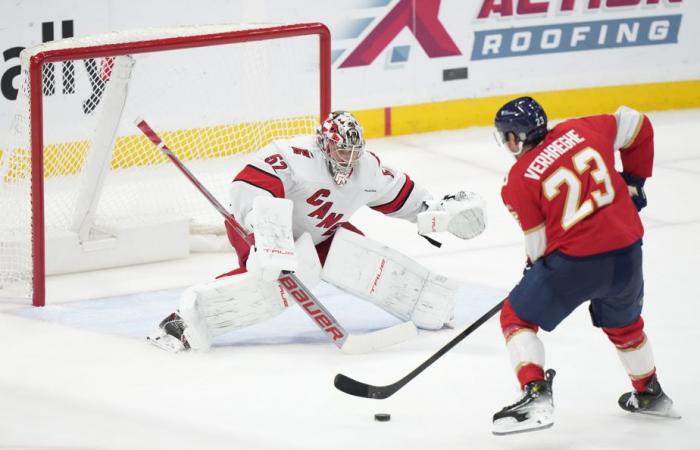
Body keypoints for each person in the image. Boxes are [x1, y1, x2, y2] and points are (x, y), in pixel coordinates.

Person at [148, 110, 486, 352]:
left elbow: (402, 196)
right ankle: (182, 321)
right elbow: (248, 186)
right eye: (342, 150)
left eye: (354, 151)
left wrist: (436, 212)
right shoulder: (294, 155)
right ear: (324, 144)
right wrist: (267, 234)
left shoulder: (367, 168)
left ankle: (429, 304)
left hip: (321, 233)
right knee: (275, 279)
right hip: (263, 227)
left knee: (360, 259)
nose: (349, 158)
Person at [490, 97, 678, 435]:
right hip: (628, 254)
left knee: (516, 317)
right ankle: (650, 393)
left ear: (515, 138)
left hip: (576, 264)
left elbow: (539, 245)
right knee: (626, 326)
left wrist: (532, 269)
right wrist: (634, 181)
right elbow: (637, 123)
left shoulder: (517, 180)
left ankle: (534, 393)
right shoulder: (584, 128)